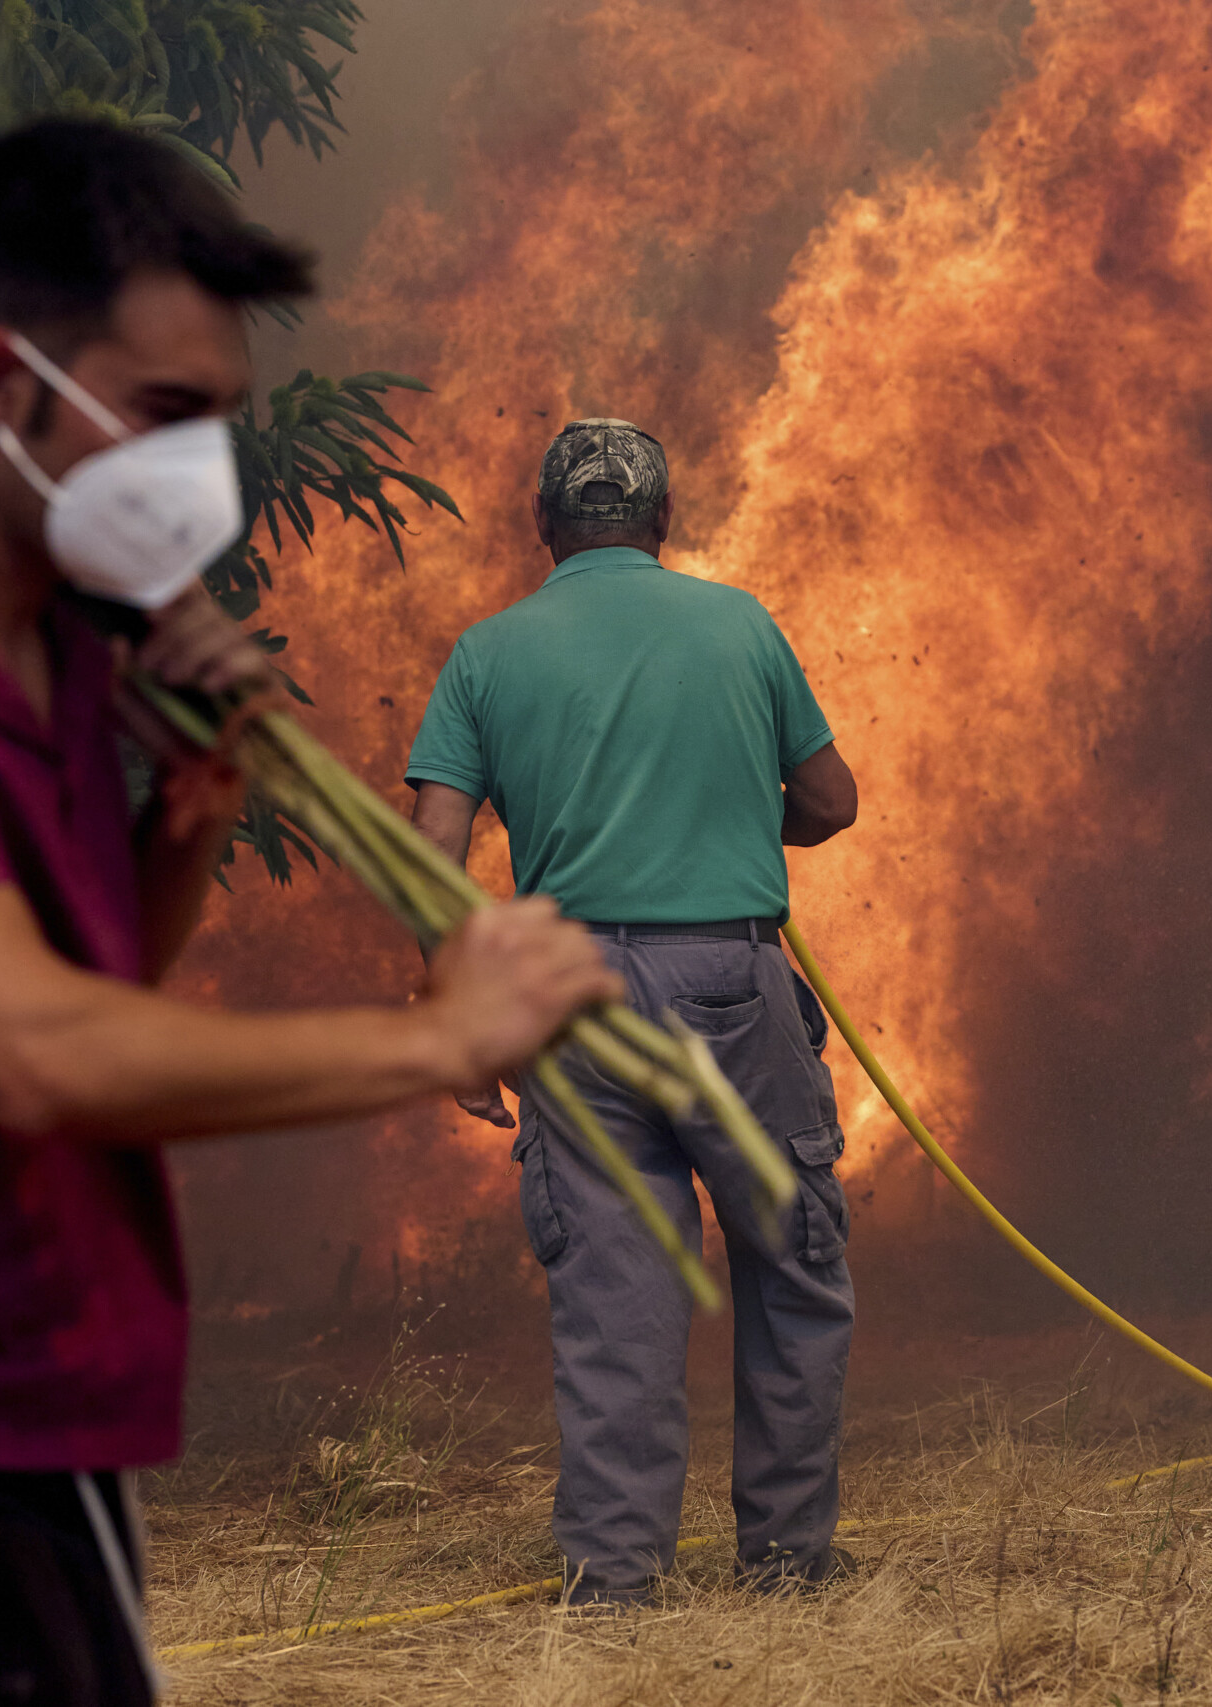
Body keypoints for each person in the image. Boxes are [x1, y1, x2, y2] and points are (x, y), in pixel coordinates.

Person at [0, 119, 620, 1707]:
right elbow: (30, 1050)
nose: (197, 471)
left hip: (18, 1384)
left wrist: (190, 815)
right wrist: (438, 1030)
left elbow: (89, 983)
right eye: (163, 414)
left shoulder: (58, 648)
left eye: (218, 422)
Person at [404, 418, 861, 1607]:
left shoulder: (488, 652)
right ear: (661, 523)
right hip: (729, 982)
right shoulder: (739, 623)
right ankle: (787, 1564)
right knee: (791, 1265)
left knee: (617, 1291)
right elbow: (828, 799)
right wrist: (720, 817)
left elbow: (431, 850)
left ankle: (613, 1586)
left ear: (545, 529)